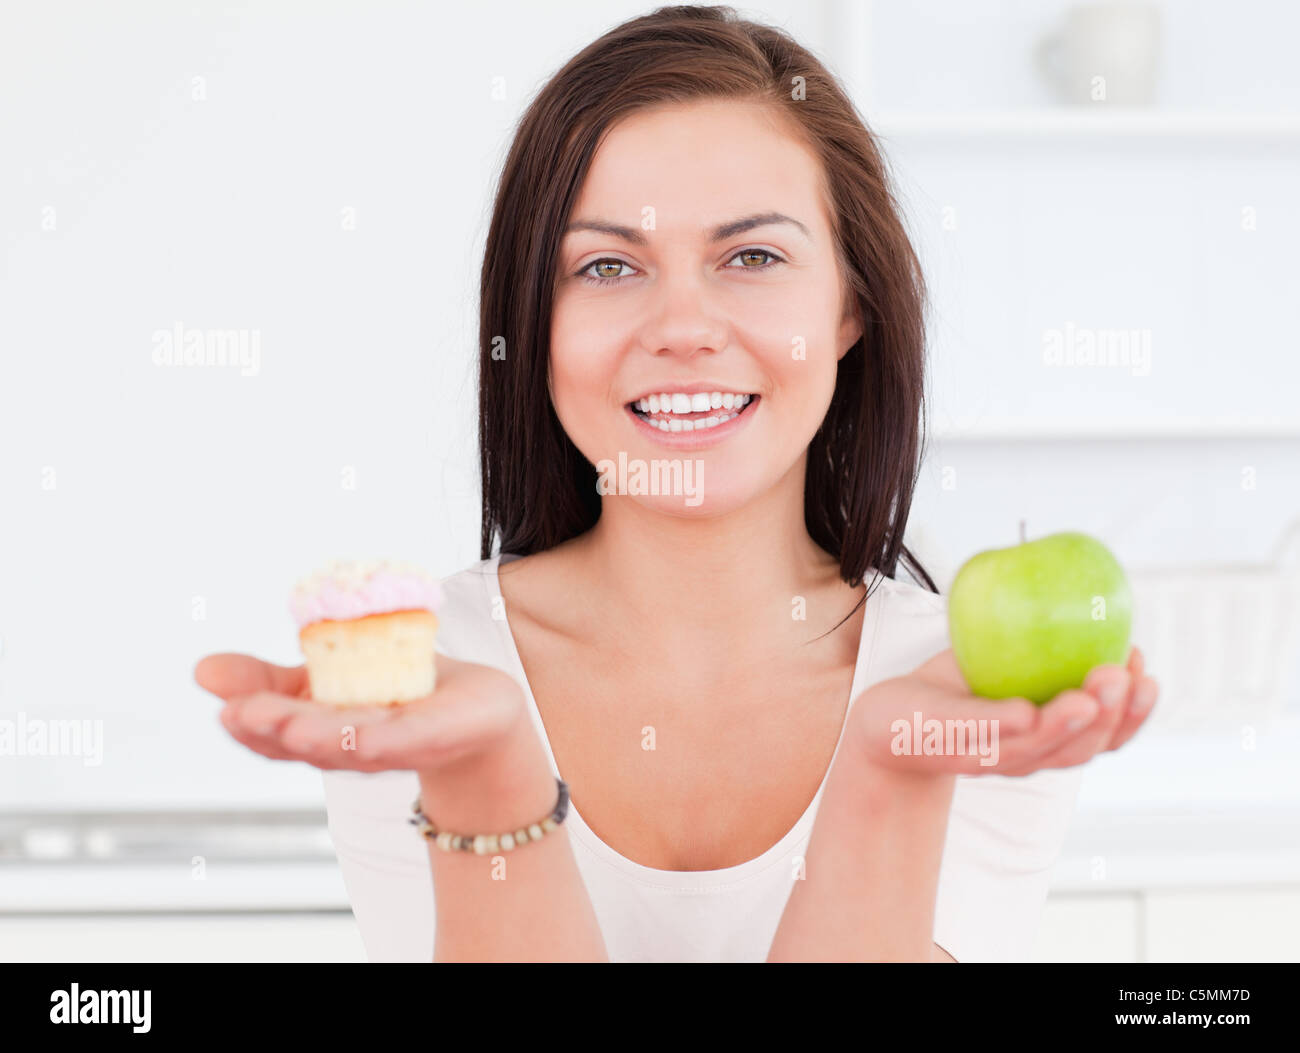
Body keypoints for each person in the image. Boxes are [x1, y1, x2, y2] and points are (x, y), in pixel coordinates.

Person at [195, 5, 1158, 962]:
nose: (682, 328)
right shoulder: (425, 679)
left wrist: (883, 769)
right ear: (534, 320)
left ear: (850, 307)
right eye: (609, 265)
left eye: (752, 256)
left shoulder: (974, 690)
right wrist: (488, 773)